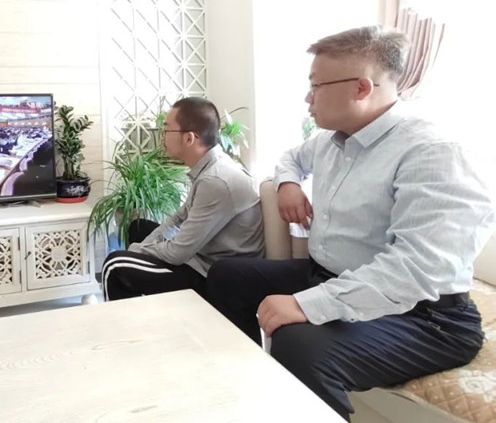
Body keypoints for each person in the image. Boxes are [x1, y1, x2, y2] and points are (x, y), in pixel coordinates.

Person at [206, 26, 495, 421]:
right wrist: (288, 185)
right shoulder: (331, 140)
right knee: (228, 276)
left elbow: (416, 270)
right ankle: (241, 391)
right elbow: (291, 158)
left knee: (299, 343)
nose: (308, 98)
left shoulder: (434, 153)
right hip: (331, 275)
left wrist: (306, 304)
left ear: (361, 88)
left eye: (315, 86)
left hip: (424, 316)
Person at [101, 96, 264, 302]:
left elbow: (178, 252)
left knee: (115, 266)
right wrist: (141, 249)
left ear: (189, 138)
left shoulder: (216, 180)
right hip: (201, 257)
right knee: (138, 228)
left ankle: (126, 322)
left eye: (167, 130)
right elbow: (178, 218)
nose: (162, 136)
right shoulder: (209, 168)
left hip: (214, 276)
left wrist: (137, 251)